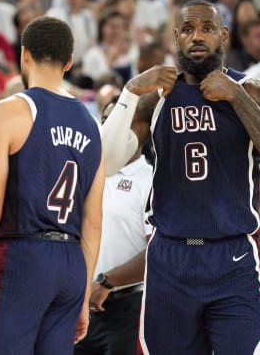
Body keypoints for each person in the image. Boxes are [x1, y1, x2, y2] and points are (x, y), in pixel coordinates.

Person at [100, 0, 260, 354]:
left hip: (234, 256)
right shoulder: (156, 98)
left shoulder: (255, 91)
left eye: (207, 29)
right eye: (188, 30)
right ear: (175, 38)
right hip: (170, 259)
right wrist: (131, 91)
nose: (197, 37)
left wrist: (237, 97)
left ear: (223, 35)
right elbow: (108, 161)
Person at [0, 16, 105, 353]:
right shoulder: (91, 126)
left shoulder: (9, 111)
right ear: (70, 62)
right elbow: (93, 221)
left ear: (25, 55)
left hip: (21, 257)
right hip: (70, 263)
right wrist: (83, 292)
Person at [74, 96, 153, 355]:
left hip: (130, 308)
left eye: (119, 121)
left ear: (141, 129)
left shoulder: (151, 180)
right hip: (79, 304)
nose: (109, 129)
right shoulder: (84, 173)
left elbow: (158, 251)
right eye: (106, 120)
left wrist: (107, 282)